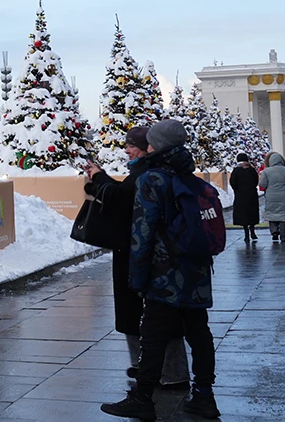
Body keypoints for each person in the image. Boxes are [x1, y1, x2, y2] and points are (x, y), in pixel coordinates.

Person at [101, 119, 219, 420]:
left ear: (160, 146)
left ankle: (142, 397)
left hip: (164, 273)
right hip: (197, 268)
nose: (147, 146)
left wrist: (137, 277)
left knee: (152, 335)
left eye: (151, 142)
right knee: (199, 332)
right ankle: (204, 395)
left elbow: (143, 233)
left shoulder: (151, 179)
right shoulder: (188, 175)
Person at [86, 126, 188, 388]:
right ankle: (152, 369)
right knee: (160, 316)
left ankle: (160, 373)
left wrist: (99, 179)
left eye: (132, 145)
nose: (127, 149)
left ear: (149, 147)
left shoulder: (149, 174)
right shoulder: (157, 170)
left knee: (152, 315)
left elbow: (124, 200)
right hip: (153, 255)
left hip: (144, 255)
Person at [258, 152, 285, 243]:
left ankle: (274, 231)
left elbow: (262, 184)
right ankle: (284, 236)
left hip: (271, 197)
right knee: (284, 216)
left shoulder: (266, 171)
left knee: (272, 214)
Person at [230, 153, 260, 243]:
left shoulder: (236, 170)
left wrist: (238, 190)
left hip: (241, 196)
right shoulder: (251, 169)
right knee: (252, 213)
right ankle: (252, 231)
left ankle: (246, 234)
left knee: (243, 215)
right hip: (252, 195)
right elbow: (256, 181)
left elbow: (233, 182)